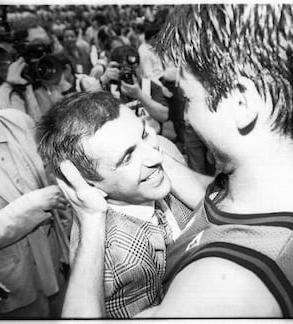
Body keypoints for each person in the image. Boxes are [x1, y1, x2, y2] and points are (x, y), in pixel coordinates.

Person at [59, 4, 293, 318]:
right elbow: (213, 203)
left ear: (241, 102)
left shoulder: (218, 292)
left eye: (189, 97)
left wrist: (90, 223)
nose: (186, 115)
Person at [36, 91, 196, 318]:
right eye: (127, 157)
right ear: (89, 184)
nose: (155, 157)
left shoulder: (163, 150)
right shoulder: (121, 261)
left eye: (143, 134)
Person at [0, 49, 69, 318]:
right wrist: (31, 204)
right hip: (14, 292)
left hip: (57, 266)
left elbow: (54, 184)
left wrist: (70, 246)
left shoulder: (19, 121)